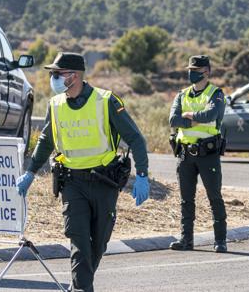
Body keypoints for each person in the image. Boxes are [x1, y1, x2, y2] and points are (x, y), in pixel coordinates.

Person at [16, 52, 150, 292]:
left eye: (58, 74)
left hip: (103, 182)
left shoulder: (106, 101)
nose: (53, 79)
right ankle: (81, 289)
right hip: (72, 183)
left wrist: (142, 175)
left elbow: (135, 139)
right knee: (79, 241)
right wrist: (31, 172)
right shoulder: (55, 105)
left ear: (74, 76)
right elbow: (47, 139)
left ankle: (79, 284)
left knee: (98, 244)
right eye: (52, 74)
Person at [168, 55, 228, 253]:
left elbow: (211, 115)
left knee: (214, 197)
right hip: (185, 155)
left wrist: (189, 115)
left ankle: (220, 241)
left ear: (207, 72)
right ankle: (186, 240)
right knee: (186, 200)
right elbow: (173, 120)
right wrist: (191, 121)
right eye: (190, 70)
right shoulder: (182, 94)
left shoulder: (216, 94)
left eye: (196, 70)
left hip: (207, 154)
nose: (191, 73)